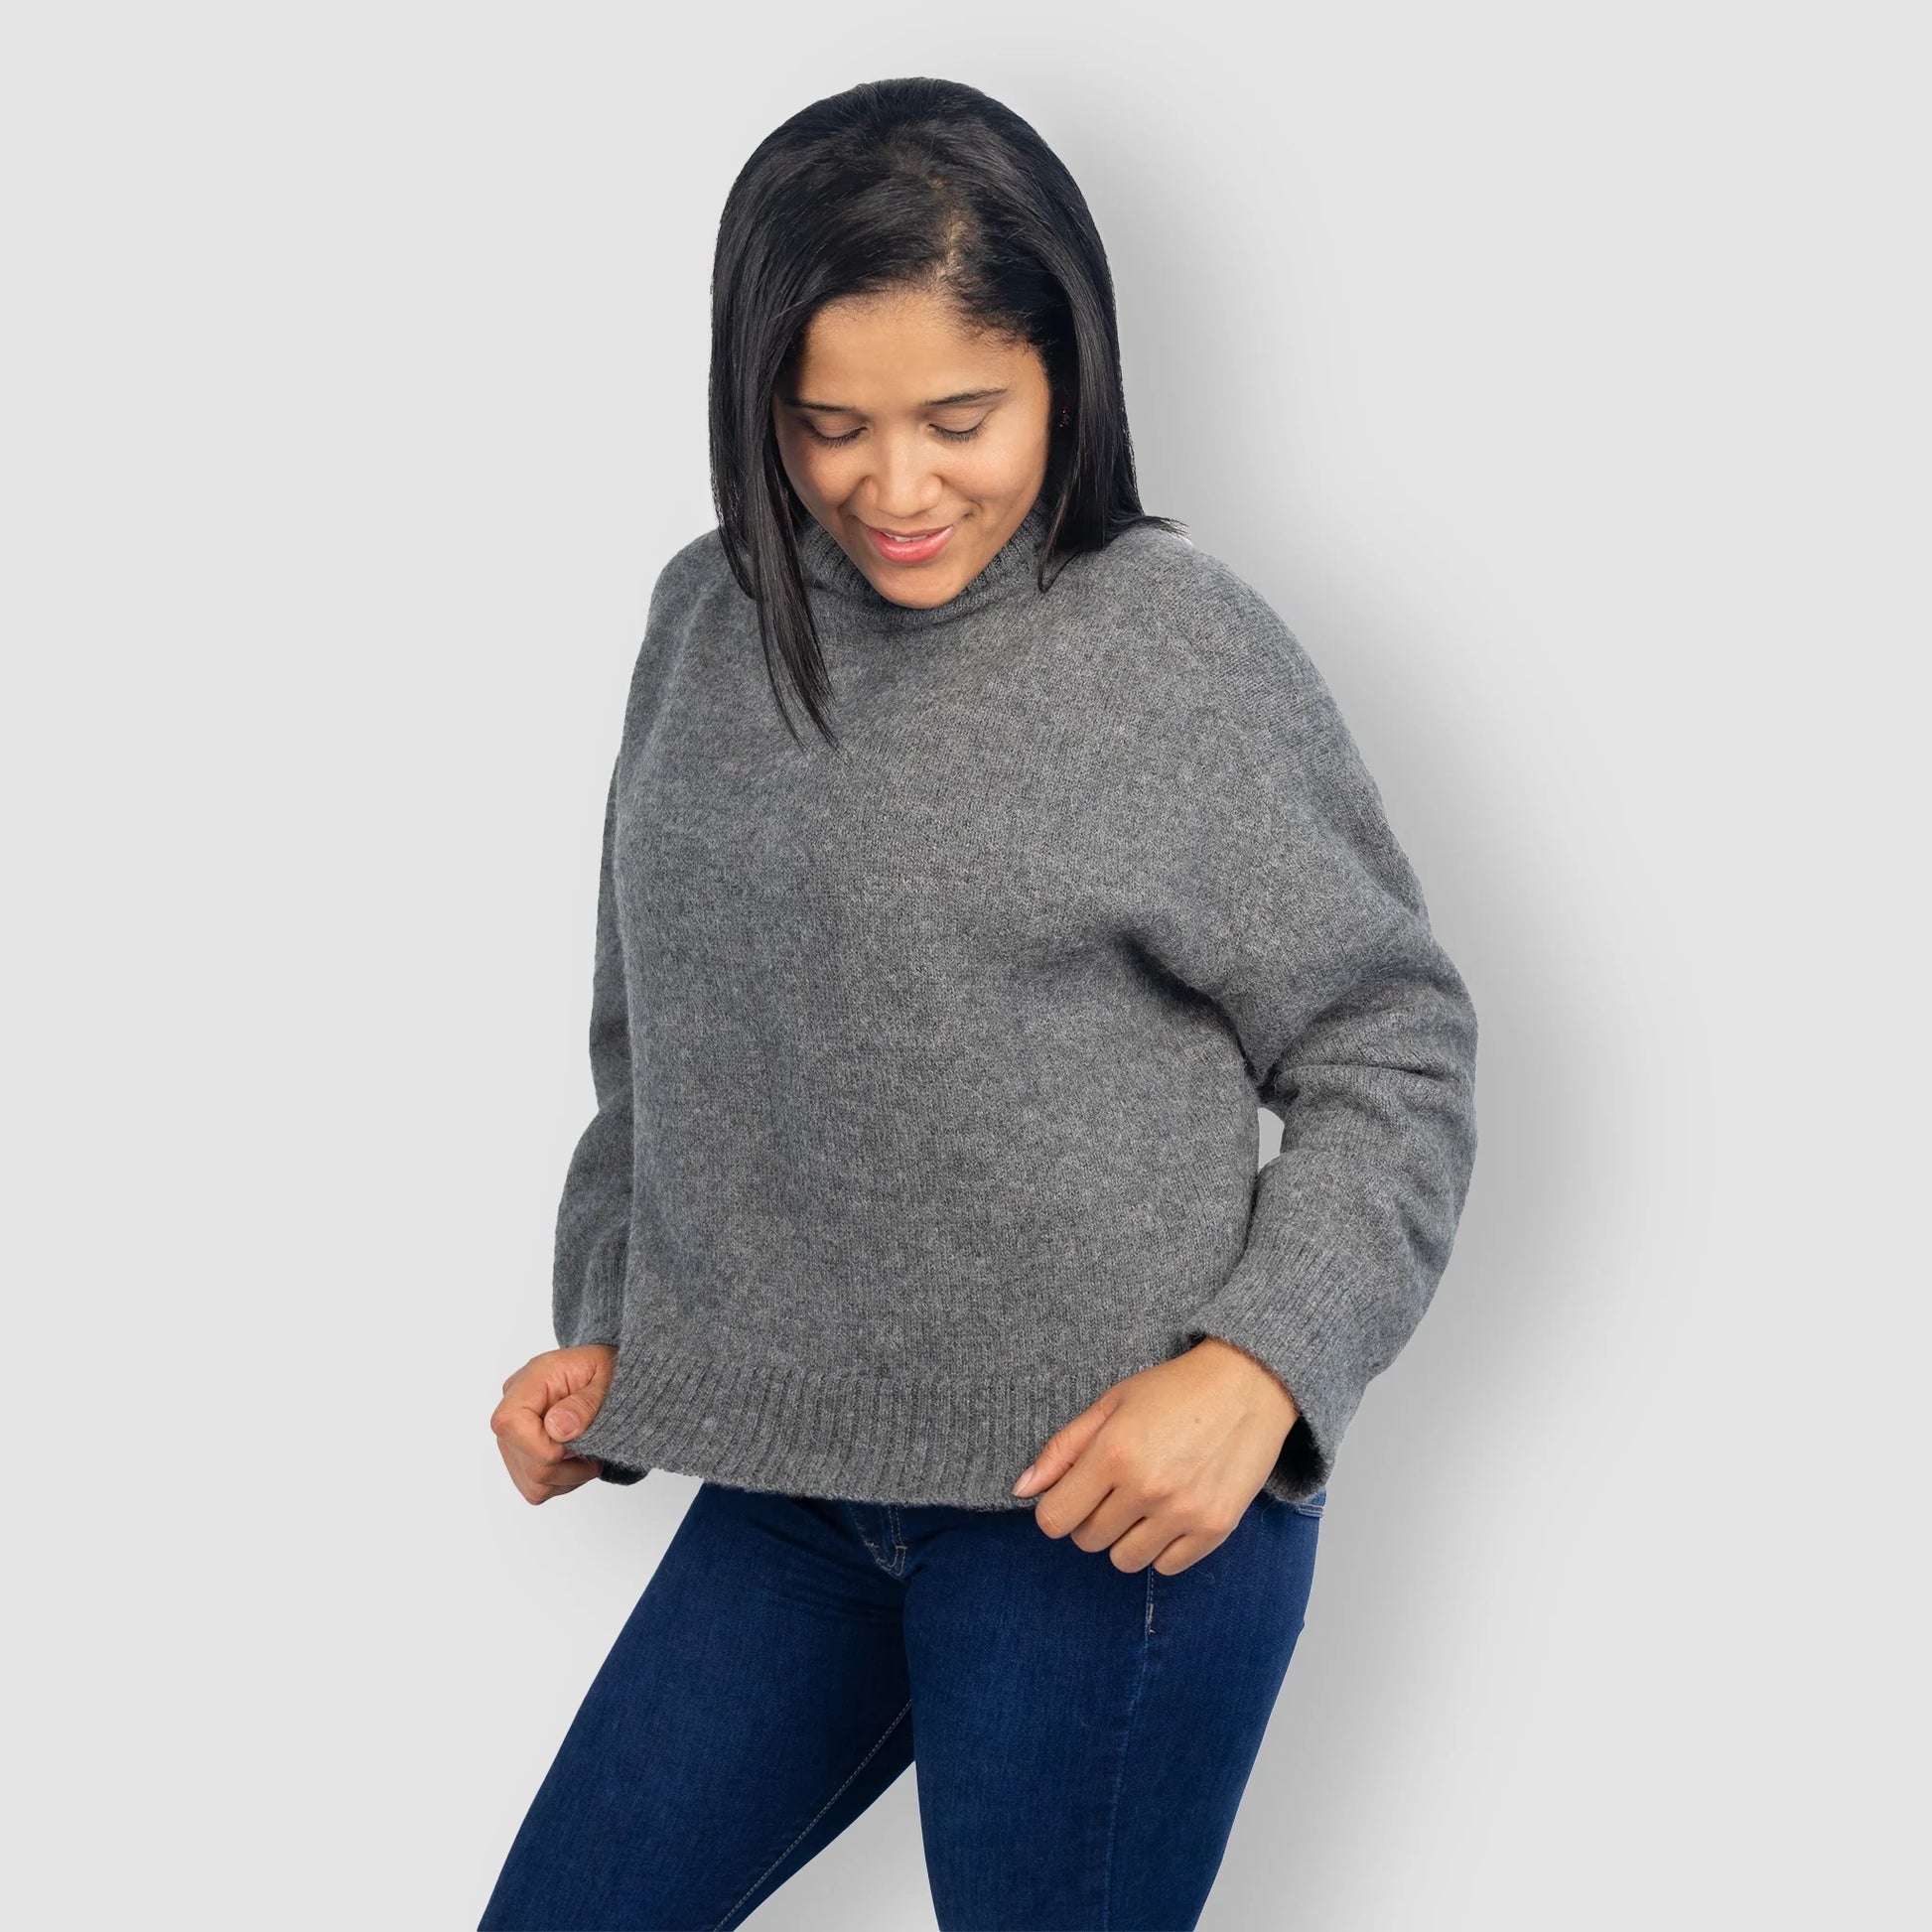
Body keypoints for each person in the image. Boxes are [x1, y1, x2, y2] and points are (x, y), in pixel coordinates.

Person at [478, 75, 1478, 1932]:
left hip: (1108, 1513)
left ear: (1065, 376)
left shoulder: (1171, 648)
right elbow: (659, 1034)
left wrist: (1260, 1367)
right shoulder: (707, 621)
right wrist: (623, 1335)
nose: (895, 487)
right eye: (827, 425)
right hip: (793, 1496)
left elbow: (1389, 1044)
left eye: (959, 418)